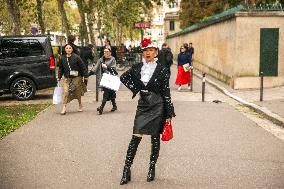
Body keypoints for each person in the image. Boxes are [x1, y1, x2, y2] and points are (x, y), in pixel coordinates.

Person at [119, 38, 175, 185]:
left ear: (156, 52)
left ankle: (152, 167)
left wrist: (169, 113)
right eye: (145, 50)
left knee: (155, 137)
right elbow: (123, 77)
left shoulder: (162, 69)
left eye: (150, 50)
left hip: (158, 105)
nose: (148, 52)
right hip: (143, 106)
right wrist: (136, 88)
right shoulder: (137, 67)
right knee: (135, 136)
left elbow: (166, 92)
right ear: (142, 52)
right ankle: (126, 169)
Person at [57, 44, 88, 115]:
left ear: (72, 49)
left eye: (70, 48)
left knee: (77, 92)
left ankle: (80, 104)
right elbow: (60, 68)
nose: (68, 49)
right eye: (67, 48)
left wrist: (85, 76)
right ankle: (64, 108)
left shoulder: (76, 57)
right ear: (65, 49)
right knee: (66, 92)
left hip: (76, 78)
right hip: (67, 78)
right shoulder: (62, 58)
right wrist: (59, 77)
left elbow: (83, 67)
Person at [89, 47, 118, 115]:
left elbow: (114, 70)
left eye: (107, 51)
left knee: (106, 93)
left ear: (110, 52)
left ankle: (101, 108)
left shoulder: (113, 59)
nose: (106, 53)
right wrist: (88, 74)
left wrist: (106, 67)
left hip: (111, 79)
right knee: (110, 93)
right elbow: (95, 68)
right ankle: (114, 106)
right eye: (105, 51)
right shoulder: (101, 59)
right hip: (103, 79)